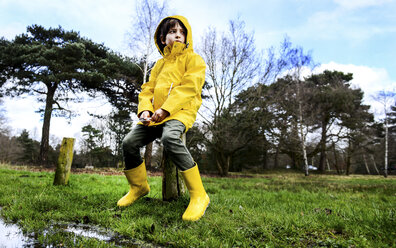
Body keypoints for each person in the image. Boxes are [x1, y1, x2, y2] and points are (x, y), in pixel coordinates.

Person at [117, 15, 209, 221]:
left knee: (169, 139)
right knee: (129, 142)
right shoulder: (158, 65)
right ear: (162, 38)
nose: (178, 35)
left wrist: (166, 110)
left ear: (187, 37)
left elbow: (189, 88)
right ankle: (139, 187)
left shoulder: (194, 60)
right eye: (172, 31)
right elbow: (147, 90)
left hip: (180, 112)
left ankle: (199, 195)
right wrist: (145, 111)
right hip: (155, 116)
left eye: (182, 32)